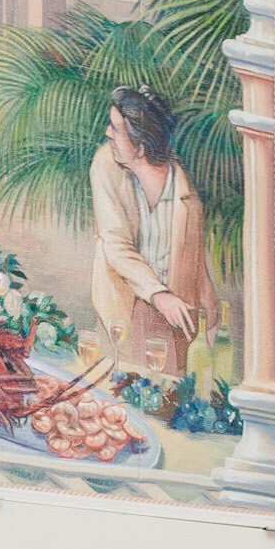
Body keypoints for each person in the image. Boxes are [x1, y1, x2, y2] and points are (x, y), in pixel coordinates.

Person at [89, 88, 215, 379]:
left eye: (117, 129)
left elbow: (197, 270)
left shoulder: (186, 199)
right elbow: (115, 244)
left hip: (171, 318)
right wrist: (158, 294)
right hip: (122, 307)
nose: (108, 133)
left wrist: (210, 327)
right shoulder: (105, 165)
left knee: (162, 400)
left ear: (141, 147)